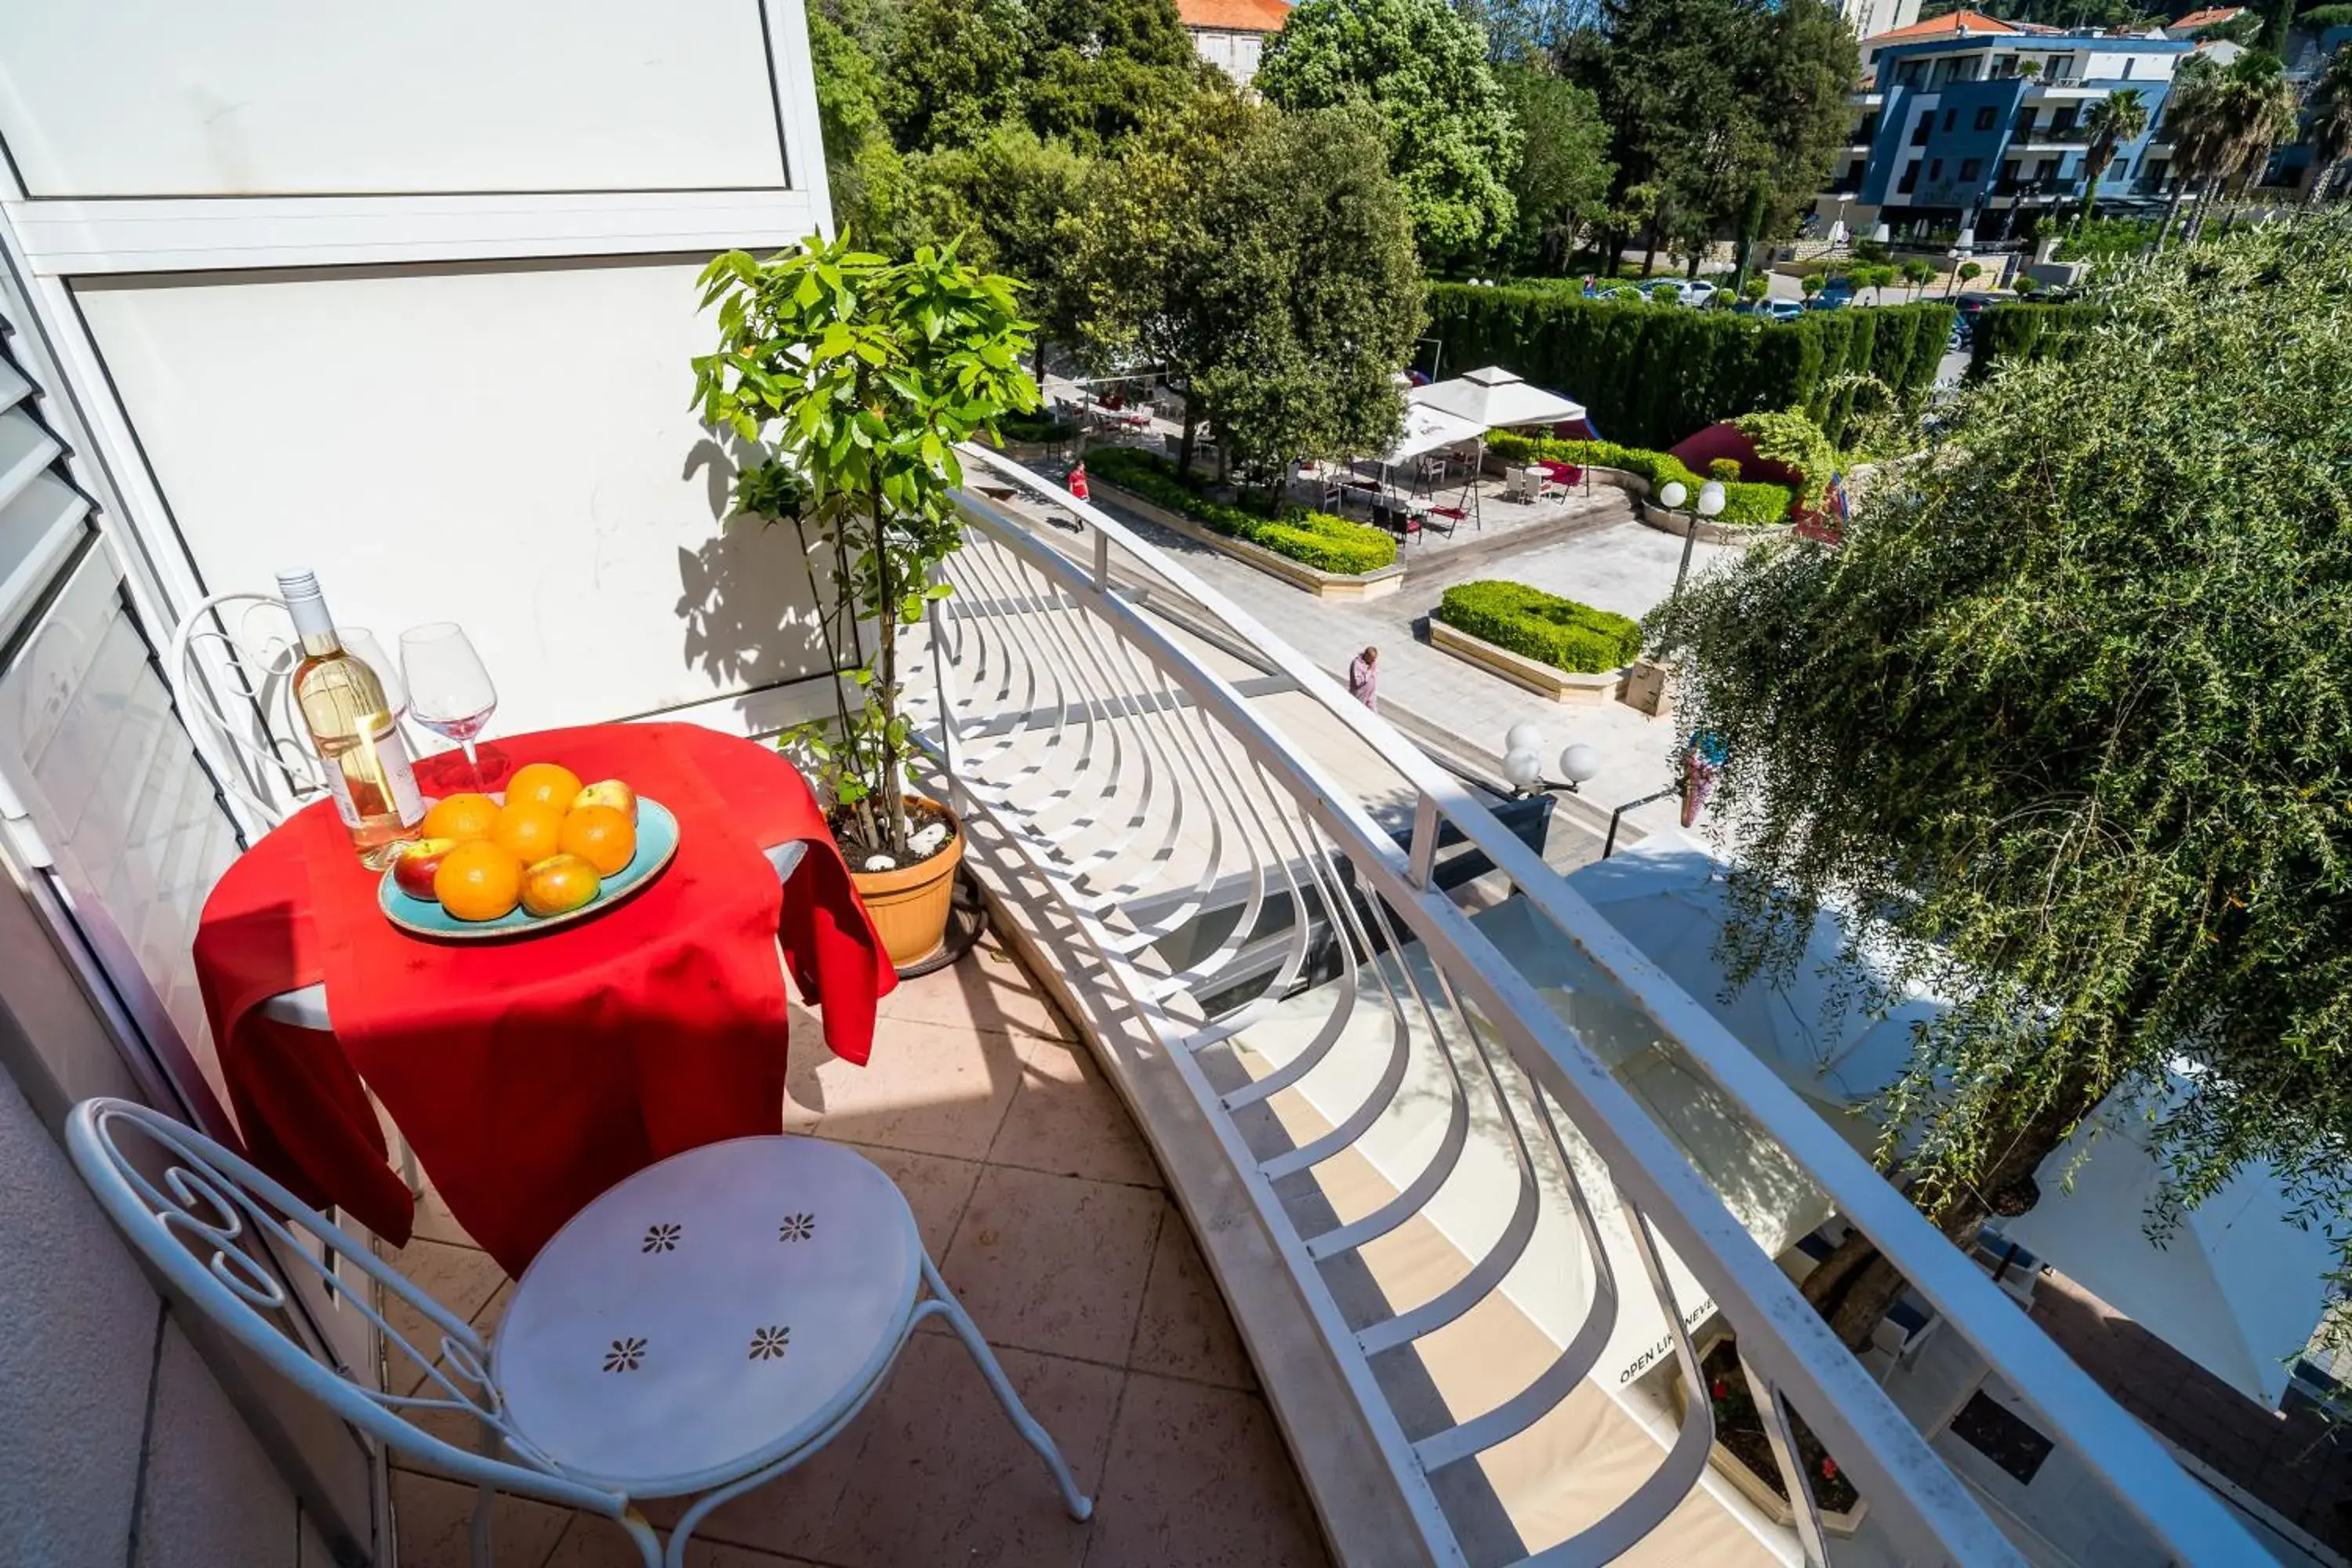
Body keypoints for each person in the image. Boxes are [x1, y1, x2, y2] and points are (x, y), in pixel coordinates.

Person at [1347, 645, 1378, 712]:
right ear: (1366, 655)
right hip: (1359, 697)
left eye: (1374, 659)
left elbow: (1372, 680)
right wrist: (1369, 671)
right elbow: (1358, 682)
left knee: (1374, 715)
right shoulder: (1357, 663)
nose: (1373, 661)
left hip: (1370, 697)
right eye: (1372, 659)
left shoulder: (1372, 664)